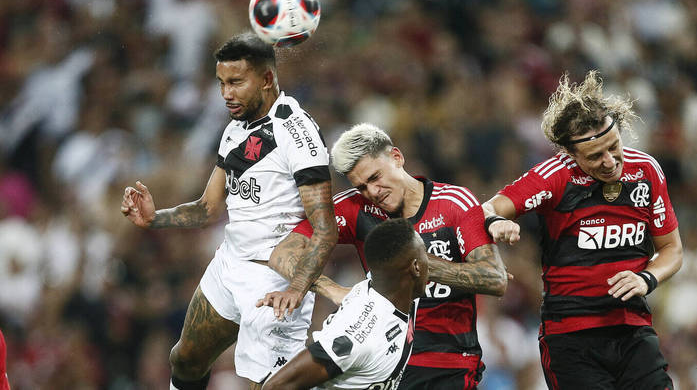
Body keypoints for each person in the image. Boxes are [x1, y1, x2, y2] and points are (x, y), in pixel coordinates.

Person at [120, 32, 338, 389]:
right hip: (230, 263)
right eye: (221, 83)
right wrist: (155, 218)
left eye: (236, 82)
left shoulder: (297, 135)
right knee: (185, 360)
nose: (226, 94)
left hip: (274, 280)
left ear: (267, 79)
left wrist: (297, 289)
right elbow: (208, 208)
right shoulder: (236, 128)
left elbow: (325, 228)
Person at [260, 123, 508, 389]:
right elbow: (282, 253)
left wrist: (416, 264)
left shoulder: (454, 203)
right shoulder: (356, 207)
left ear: (397, 158)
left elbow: (495, 279)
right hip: (380, 362)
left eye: (376, 177)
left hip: (447, 363)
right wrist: (332, 290)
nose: (373, 192)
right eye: (362, 186)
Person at [482, 70, 683, 389]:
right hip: (571, 339)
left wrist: (647, 278)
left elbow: (671, 249)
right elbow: (490, 208)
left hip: (633, 331)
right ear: (570, 153)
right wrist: (497, 221)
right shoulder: (554, 177)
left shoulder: (646, 170)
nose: (609, 161)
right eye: (595, 156)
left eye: (613, 147)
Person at [262, 218, 427, 389]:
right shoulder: (360, 338)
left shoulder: (399, 294)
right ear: (416, 267)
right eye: (426, 259)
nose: (430, 268)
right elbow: (276, 386)